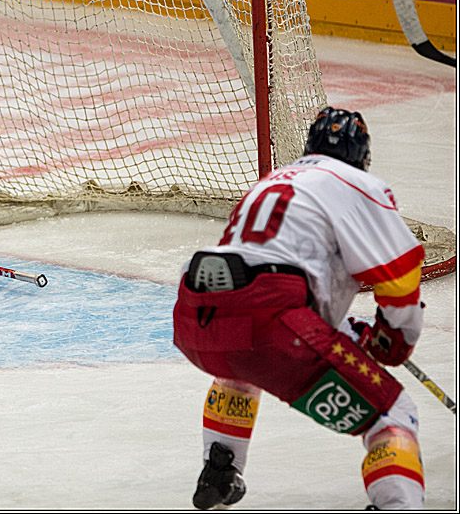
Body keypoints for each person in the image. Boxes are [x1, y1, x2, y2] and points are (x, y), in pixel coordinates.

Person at [172, 107, 426, 510]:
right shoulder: (359, 183)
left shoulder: (275, 180)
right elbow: (399, 278)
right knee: (392, 413)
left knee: (241, 366)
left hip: (196, 316)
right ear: (362, 156)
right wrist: (395, 338)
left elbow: (263, 274)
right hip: (270, 318)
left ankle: (219, 471)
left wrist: (343, 332)